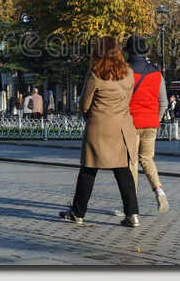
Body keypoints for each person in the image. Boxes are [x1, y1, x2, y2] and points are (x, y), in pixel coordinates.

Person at [59, 36, 142, 228]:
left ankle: (78, 213)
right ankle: (133, 214)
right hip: (122, 127)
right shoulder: (129, 73)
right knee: (123, 172)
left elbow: (84, 103)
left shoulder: (95, 74)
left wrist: (88, 115)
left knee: (88, 170)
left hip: (99, 128)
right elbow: (128, 98)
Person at [125, 35, 170, 214]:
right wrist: (155, 118)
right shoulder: (156, 72)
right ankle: (160, 192)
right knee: (147, 159)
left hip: (131, 123)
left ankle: (131, 205)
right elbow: (164, 102)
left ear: (128, 51)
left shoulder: (125, 72)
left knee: (131, 162)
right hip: (151, 123)